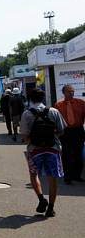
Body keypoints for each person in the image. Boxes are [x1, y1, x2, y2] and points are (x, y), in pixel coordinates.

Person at [20, 89, 66, 217]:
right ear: (43, 98)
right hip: (53, 148)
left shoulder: (27, 114)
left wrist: (33, 141)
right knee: (52, 177)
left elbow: (24, 135)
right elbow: (62, 130)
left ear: (30, 99)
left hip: (34, 150)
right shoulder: (53, 111)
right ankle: (51, 208)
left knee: (34, 175)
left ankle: (41, 199)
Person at [54, 84, 85, 183]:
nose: (71, 93)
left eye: (72, 91)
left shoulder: (80, 103)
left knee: (78, 154)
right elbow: (56, 120)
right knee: (66, 154)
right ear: (64, 93)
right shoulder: (58, 105)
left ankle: (77, 175)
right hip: (65, 132)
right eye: (69, 91)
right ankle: (67, 177)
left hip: (78, 130)